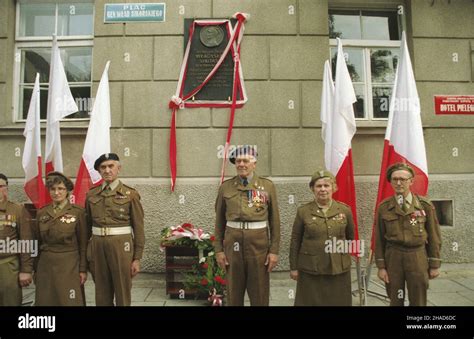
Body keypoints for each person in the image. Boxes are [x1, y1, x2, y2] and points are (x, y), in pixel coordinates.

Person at [214, 145, 280, 306]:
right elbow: (219, 222)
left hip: (258, 246)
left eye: (245, 160)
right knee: (233, 291)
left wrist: (274, 251)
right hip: (232, 247)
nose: (241, 164)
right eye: (238, 161)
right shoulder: (226, 187)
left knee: (259, 290)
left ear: (254, 163)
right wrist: (218, 250)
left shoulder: (267, 186)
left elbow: (275, 221)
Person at [375, 162, 442, 306]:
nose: (399, 183)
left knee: (418, 299)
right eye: (395, 179)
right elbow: (379, 239)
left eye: (403, 179)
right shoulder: (384, 207)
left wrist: (435, 264)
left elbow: (434, 236)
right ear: (391, 182)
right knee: (395, 298)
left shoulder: (424, 206)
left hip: (417, 256)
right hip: (393, 257)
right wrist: (381, 267)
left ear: (411, 181)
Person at [85, 153, 145, 306]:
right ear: (99, 171)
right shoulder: (91, 195)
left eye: (111, 166)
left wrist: (137, 258)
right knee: (101, 291)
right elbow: (86, 228)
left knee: (122, 290)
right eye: (103, 167)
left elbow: (138, 229)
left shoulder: (130, 194)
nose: (107, 170)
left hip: (121, 247)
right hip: (97, 247)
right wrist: (85, 254)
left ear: (119, 168)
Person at [289, 170, 355, 306]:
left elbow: (351, 238)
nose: (323, 189)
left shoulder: (344, 210)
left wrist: (344, 259)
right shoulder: (303, 211)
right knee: (311, 301)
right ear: (312, 189)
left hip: (338, 268)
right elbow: (295, 241)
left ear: (334, 188)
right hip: (311, 267)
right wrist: (294, 267)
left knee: (338, 301)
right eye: (319, 186)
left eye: (327, 185)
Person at [34, 171, 87, 306]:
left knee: (69, 300)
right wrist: (35, 269)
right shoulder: (42, 213)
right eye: (53, 189)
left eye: (61, 189)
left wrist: (82, 269)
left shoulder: (77, 212)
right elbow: (36, 242)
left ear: (67, 191)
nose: (56, 192)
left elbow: (83, 244)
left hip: (69, 264)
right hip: (46, 265)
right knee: (46, 300)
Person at [0, 173, 34, 306]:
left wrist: (26, 270)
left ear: (6, 189)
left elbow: (26, 242)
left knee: (10, 303)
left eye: (0, 186)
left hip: (7, 268)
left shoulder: (17, 210)